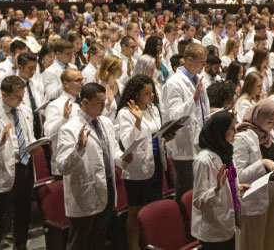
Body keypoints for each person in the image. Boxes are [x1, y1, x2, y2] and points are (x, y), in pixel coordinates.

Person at [56, 83, 133, 250]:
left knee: (98, 239)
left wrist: (122, 159)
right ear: (85, 102)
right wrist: (79, 148)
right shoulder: (69, 128)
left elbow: (113, 151)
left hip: (106, 188)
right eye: (99, 102)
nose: (104, 105)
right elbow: (62, 166)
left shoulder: (105, 122)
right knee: (79, 241)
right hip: (84, 192)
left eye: (105, 101)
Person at [117, 75, 172, 250]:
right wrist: (138, 122)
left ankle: (152, 242)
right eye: (146, 93)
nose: (151, 96)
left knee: (153, 206)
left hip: (155, 162)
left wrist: (166, 136)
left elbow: (156, 133)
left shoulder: (153, 109)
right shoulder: (125, 113)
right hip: (137, 165)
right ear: (136, 94)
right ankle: (134, 246)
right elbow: (127, 142)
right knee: (136, 210)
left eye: (152, 92)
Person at [191, 110, 248, 250]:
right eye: (231, 128)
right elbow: (198, 200)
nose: (235, 131)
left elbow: (227, 184)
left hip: (229, 222)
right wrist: (216, 189)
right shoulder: (204, 160)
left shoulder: (226, 152)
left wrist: (236, 187)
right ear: (220, 131)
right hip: (213, 229)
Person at [233, 100, 274, 250]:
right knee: (254, 243)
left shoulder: (270, 135)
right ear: (259, 118)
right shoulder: (242, 138)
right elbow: (240, 175)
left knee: (272, 240)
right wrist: (262, 163)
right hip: (254, 195)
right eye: (270, 121)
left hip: (273, 192)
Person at [163, 42, 210, 205]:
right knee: (185, 192)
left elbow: (204, 111)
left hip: (201, 142)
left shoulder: (198, 79)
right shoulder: (174, 82)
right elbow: (174, 115)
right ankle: (182, 227)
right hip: (184, 147)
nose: (204, 65)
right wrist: (194, 99)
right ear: (189, 60)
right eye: (201, 61)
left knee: (199, 190)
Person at [0, 76, 37, 250]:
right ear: (4, 94)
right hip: (6, 167)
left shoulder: (24, 110)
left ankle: (20, 246)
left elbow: (29, 135)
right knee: (0, 216)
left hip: (25, 165)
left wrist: (35, 145)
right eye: (17, 97)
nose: (21, 100)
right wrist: (2, 141)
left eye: (22, 96)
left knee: (23, 212)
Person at [43, 68, 83, 177]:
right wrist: (64, 118)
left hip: (84, 162)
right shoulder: (55, 105)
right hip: (65, 163)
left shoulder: (85, 102)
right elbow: (49, 135)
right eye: (78, 80)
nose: (82, 83)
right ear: (66, 83)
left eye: (82, 79)